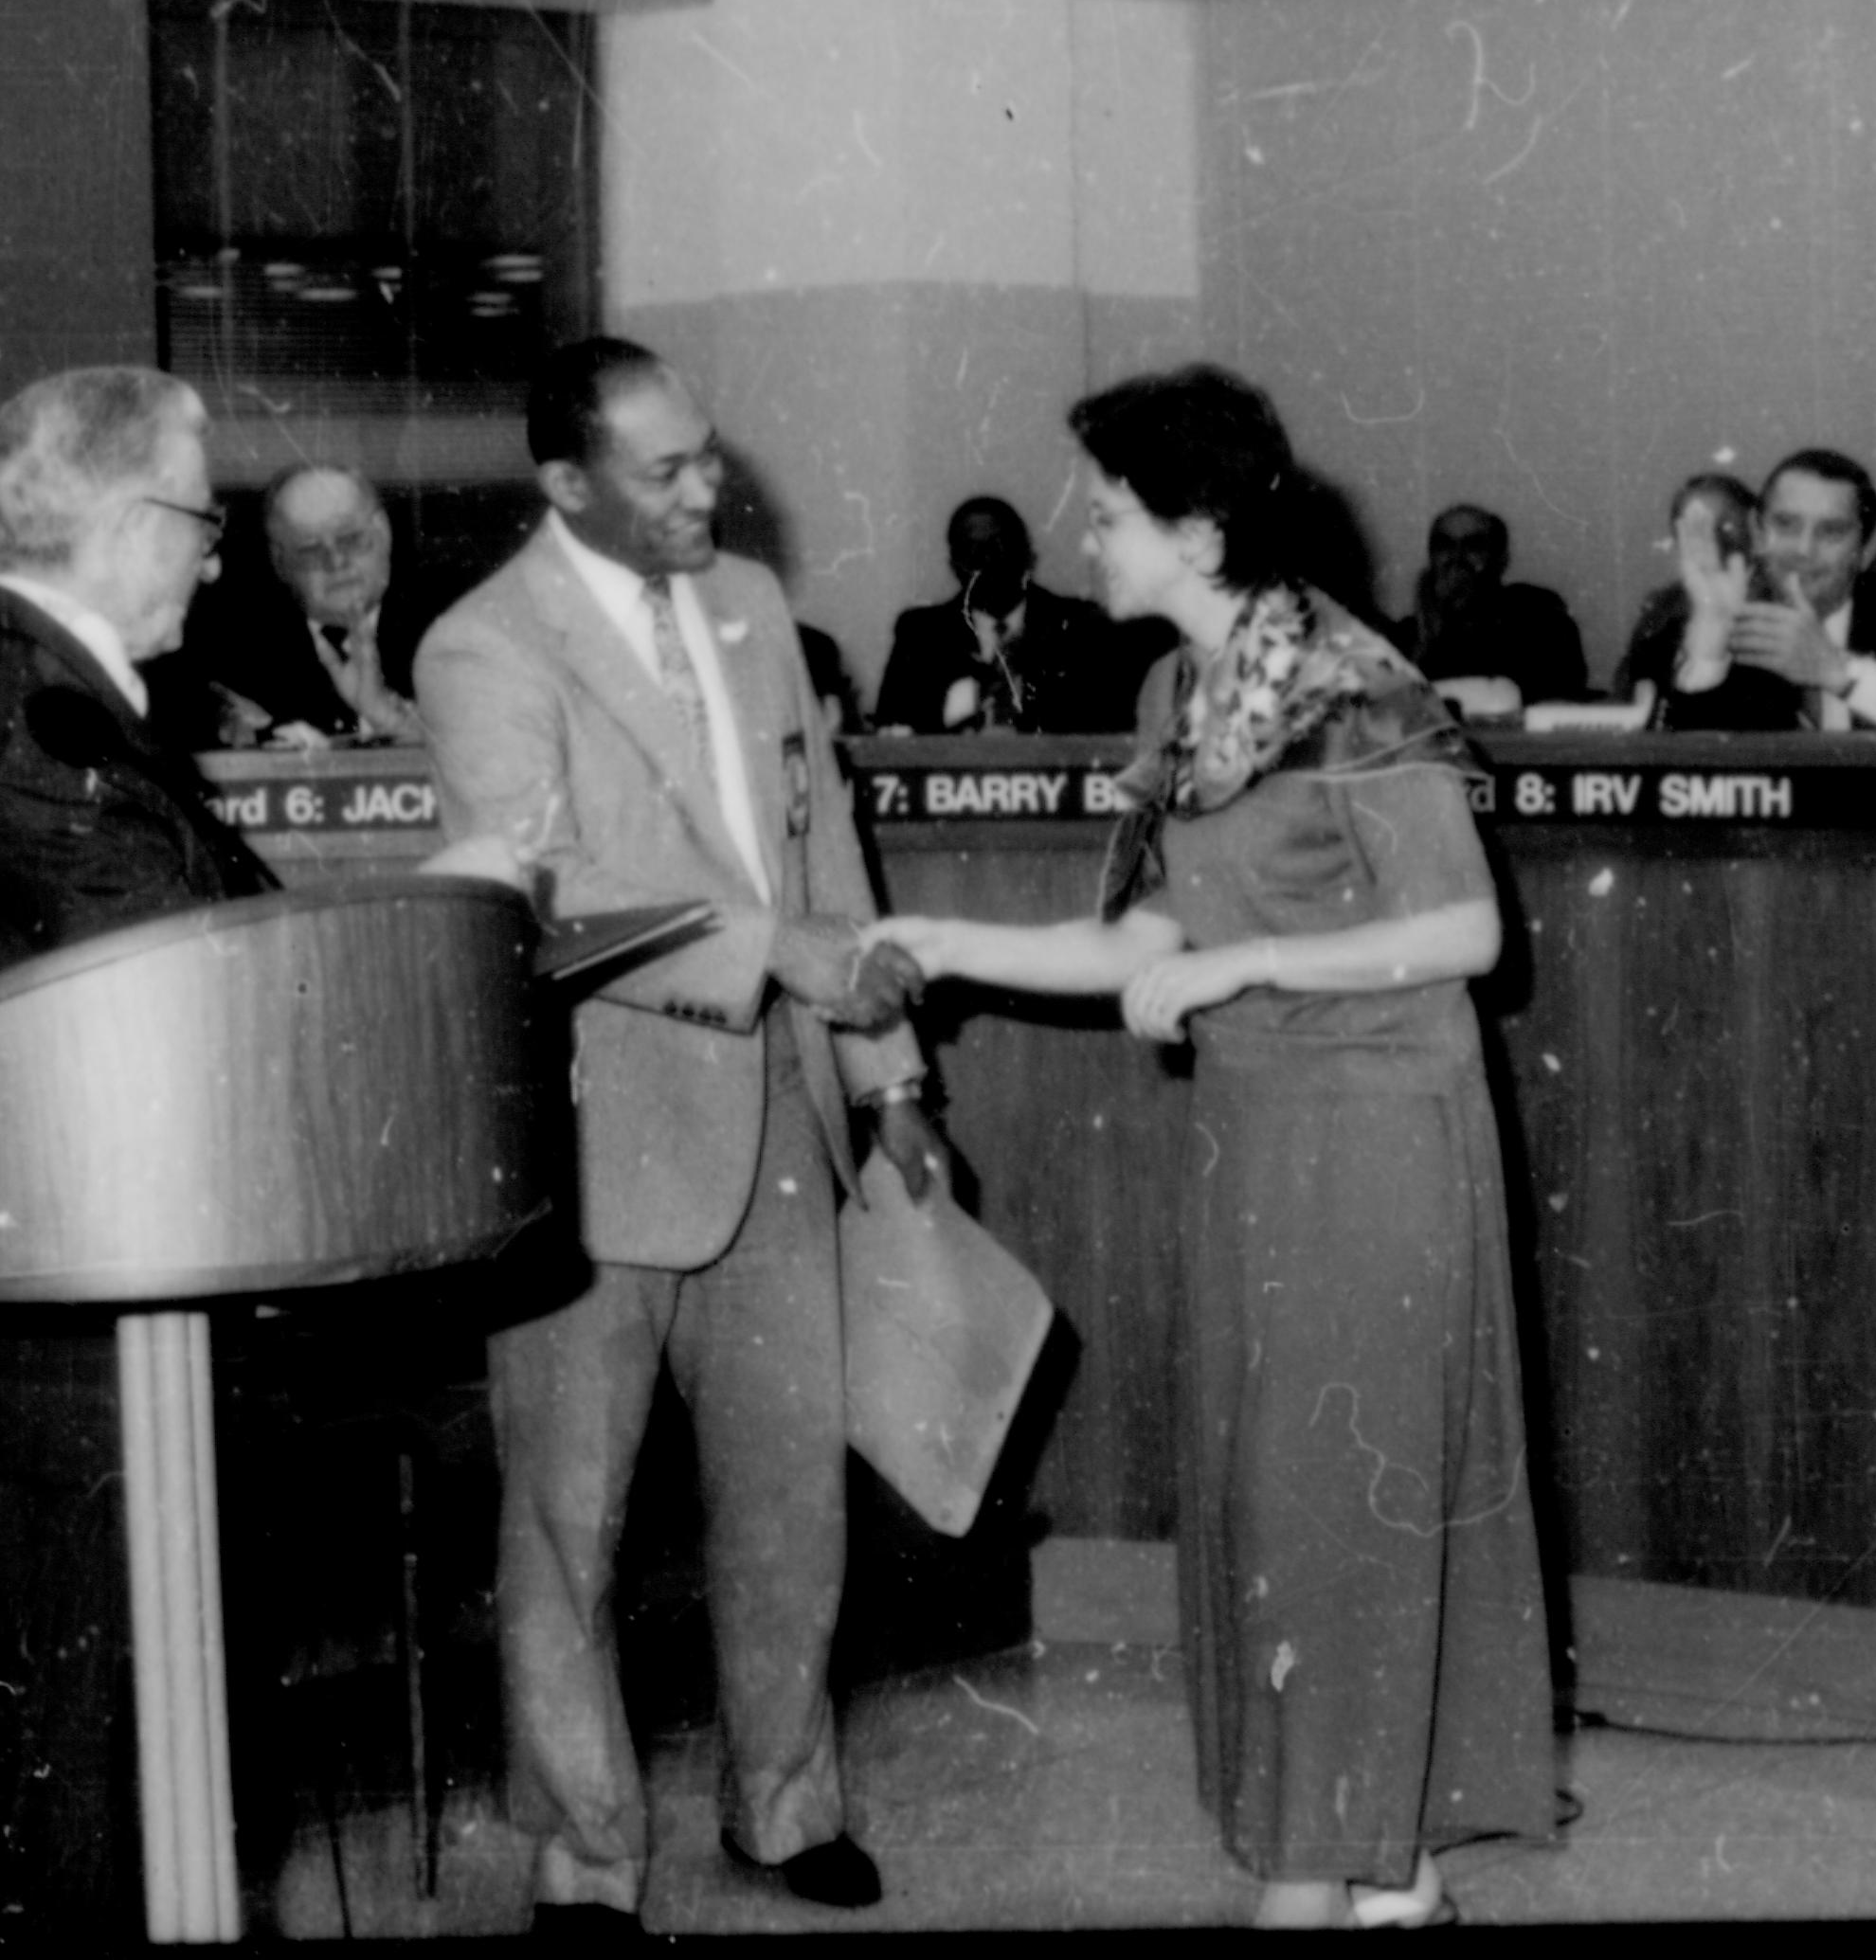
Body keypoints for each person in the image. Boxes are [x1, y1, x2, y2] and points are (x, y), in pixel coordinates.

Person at [865, 363, 1552, 1932]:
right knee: (1279, 1510)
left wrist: (1252, 969)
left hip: (1378, 1149)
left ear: (1194, 525)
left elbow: (1465, 928)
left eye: (1104, 512)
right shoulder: (1190, 694)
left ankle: (1318, 1879)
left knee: (1325, 1515)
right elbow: (1154, 937)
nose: (1079, 537)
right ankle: (1394, 1878)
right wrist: (943, 937)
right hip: (1263, 1143)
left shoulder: (1354, 687)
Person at [411, 336, 951, 1935]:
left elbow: (824, 845)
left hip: (783, 1115)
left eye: (708, 453)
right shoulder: (482, 647)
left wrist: (888, 1074)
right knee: (569, 1525)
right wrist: (763, 957)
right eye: (667, 471)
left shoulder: (754, 607)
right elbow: (542, 894)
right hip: (594, 1139)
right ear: (565, 484)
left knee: (790, 1498)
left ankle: (787, 1808)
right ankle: (588, 1856)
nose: (710, 487)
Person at [0, 366, 278, 1011]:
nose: (213, 560)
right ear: (131, 530)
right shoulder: (46, 745)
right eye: (204, 521)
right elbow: (198, 1008)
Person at [1610, 450, 1876, 730]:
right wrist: (1709, 651)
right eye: (1786, 525)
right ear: (1757, 531)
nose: (1803, 549)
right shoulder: (1673, 644)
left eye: (1831, 531)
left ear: (1869, 547)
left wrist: (1840, 674)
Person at [149, 462, 427, 751]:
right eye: (310, 549)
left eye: (350, 539)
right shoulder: (232, 647)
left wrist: (392, 718)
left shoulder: (447, 627)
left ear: (383, 532)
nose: (336, 562)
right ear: (280, 561)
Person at [875, 494, 1152, 734]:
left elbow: (1106, 728)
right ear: (953, 565)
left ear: (1029, 556)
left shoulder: (1081, 625)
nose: (985, 562)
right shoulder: (920, 634)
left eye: (998, 547)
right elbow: (892, 731)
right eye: (971, 551)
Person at [1396, 501, 1591, 714]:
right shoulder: (1410, 635)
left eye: (1473, 546)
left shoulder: (1537, 617)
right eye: (1445, 545)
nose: (1457, 557)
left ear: (1499, 559)